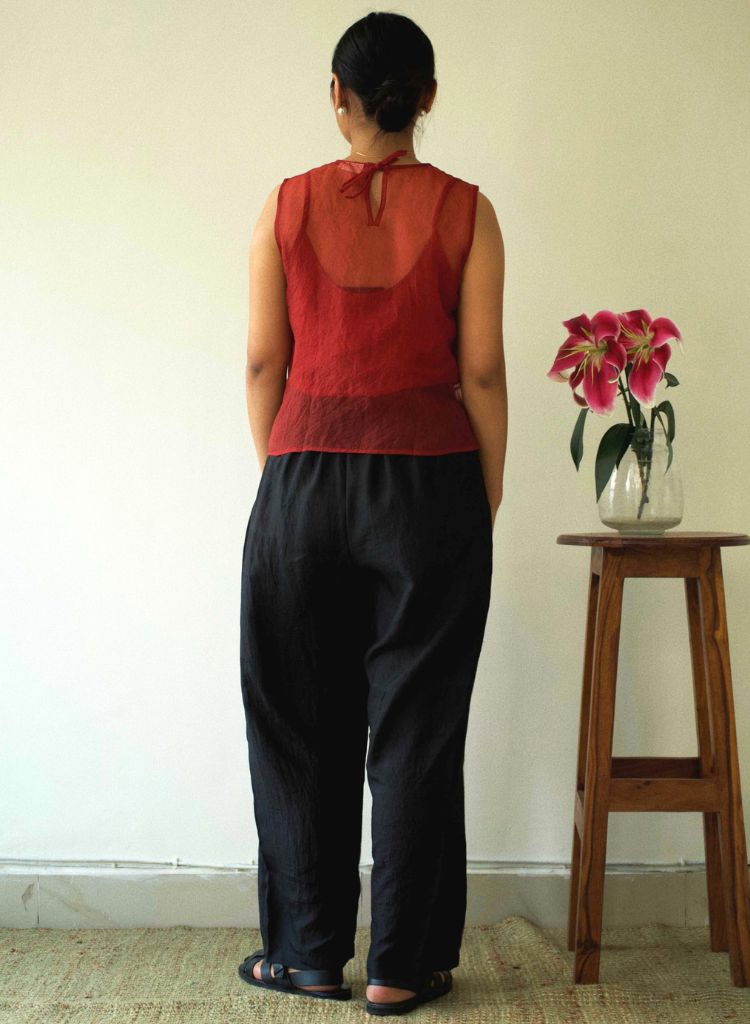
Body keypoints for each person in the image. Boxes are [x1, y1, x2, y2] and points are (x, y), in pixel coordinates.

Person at [238, 11, 507, 1016]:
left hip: (301, 483)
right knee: (418, 731)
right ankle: (400, 964)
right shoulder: (469, 212)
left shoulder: (284, 205)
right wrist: (475, 503)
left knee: (299, 725)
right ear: (427, 98)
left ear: (337, 97)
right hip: (431, 486)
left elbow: (263, 364)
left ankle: (308, 956)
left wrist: (290, 478)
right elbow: (482, 372)